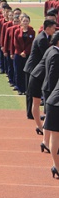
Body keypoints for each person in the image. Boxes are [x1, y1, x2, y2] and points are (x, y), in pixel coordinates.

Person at [24, 19, 56, 132]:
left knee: (34, 99)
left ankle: (37, 122)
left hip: (37, 70)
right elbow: (46, 57)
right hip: (35, 70)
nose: (54, 29)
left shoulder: (44, 36)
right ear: (47, 28)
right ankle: (36, 122)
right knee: (33, 98)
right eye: (53, 28)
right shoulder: (42, 39)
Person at [43, 32, 59, 179]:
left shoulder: (52, 51)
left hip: (53, 100)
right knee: (55, 134)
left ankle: (56, 165)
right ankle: (56, 166)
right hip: (56, 102)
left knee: (54, 134)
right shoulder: (54, 53)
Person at [12, 15, 35, 95]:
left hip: (27, 54)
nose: (25, 22)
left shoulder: (32, 32)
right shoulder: (17, 31)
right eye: (24, 21)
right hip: (18, 54)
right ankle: (19, 88)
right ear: (21, 22)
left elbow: (31, 43)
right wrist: (21, 52)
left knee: (27, 72)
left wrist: (25, 52)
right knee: (18, 71)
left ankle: (26, 89)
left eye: (27, 21)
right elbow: (16, 43)